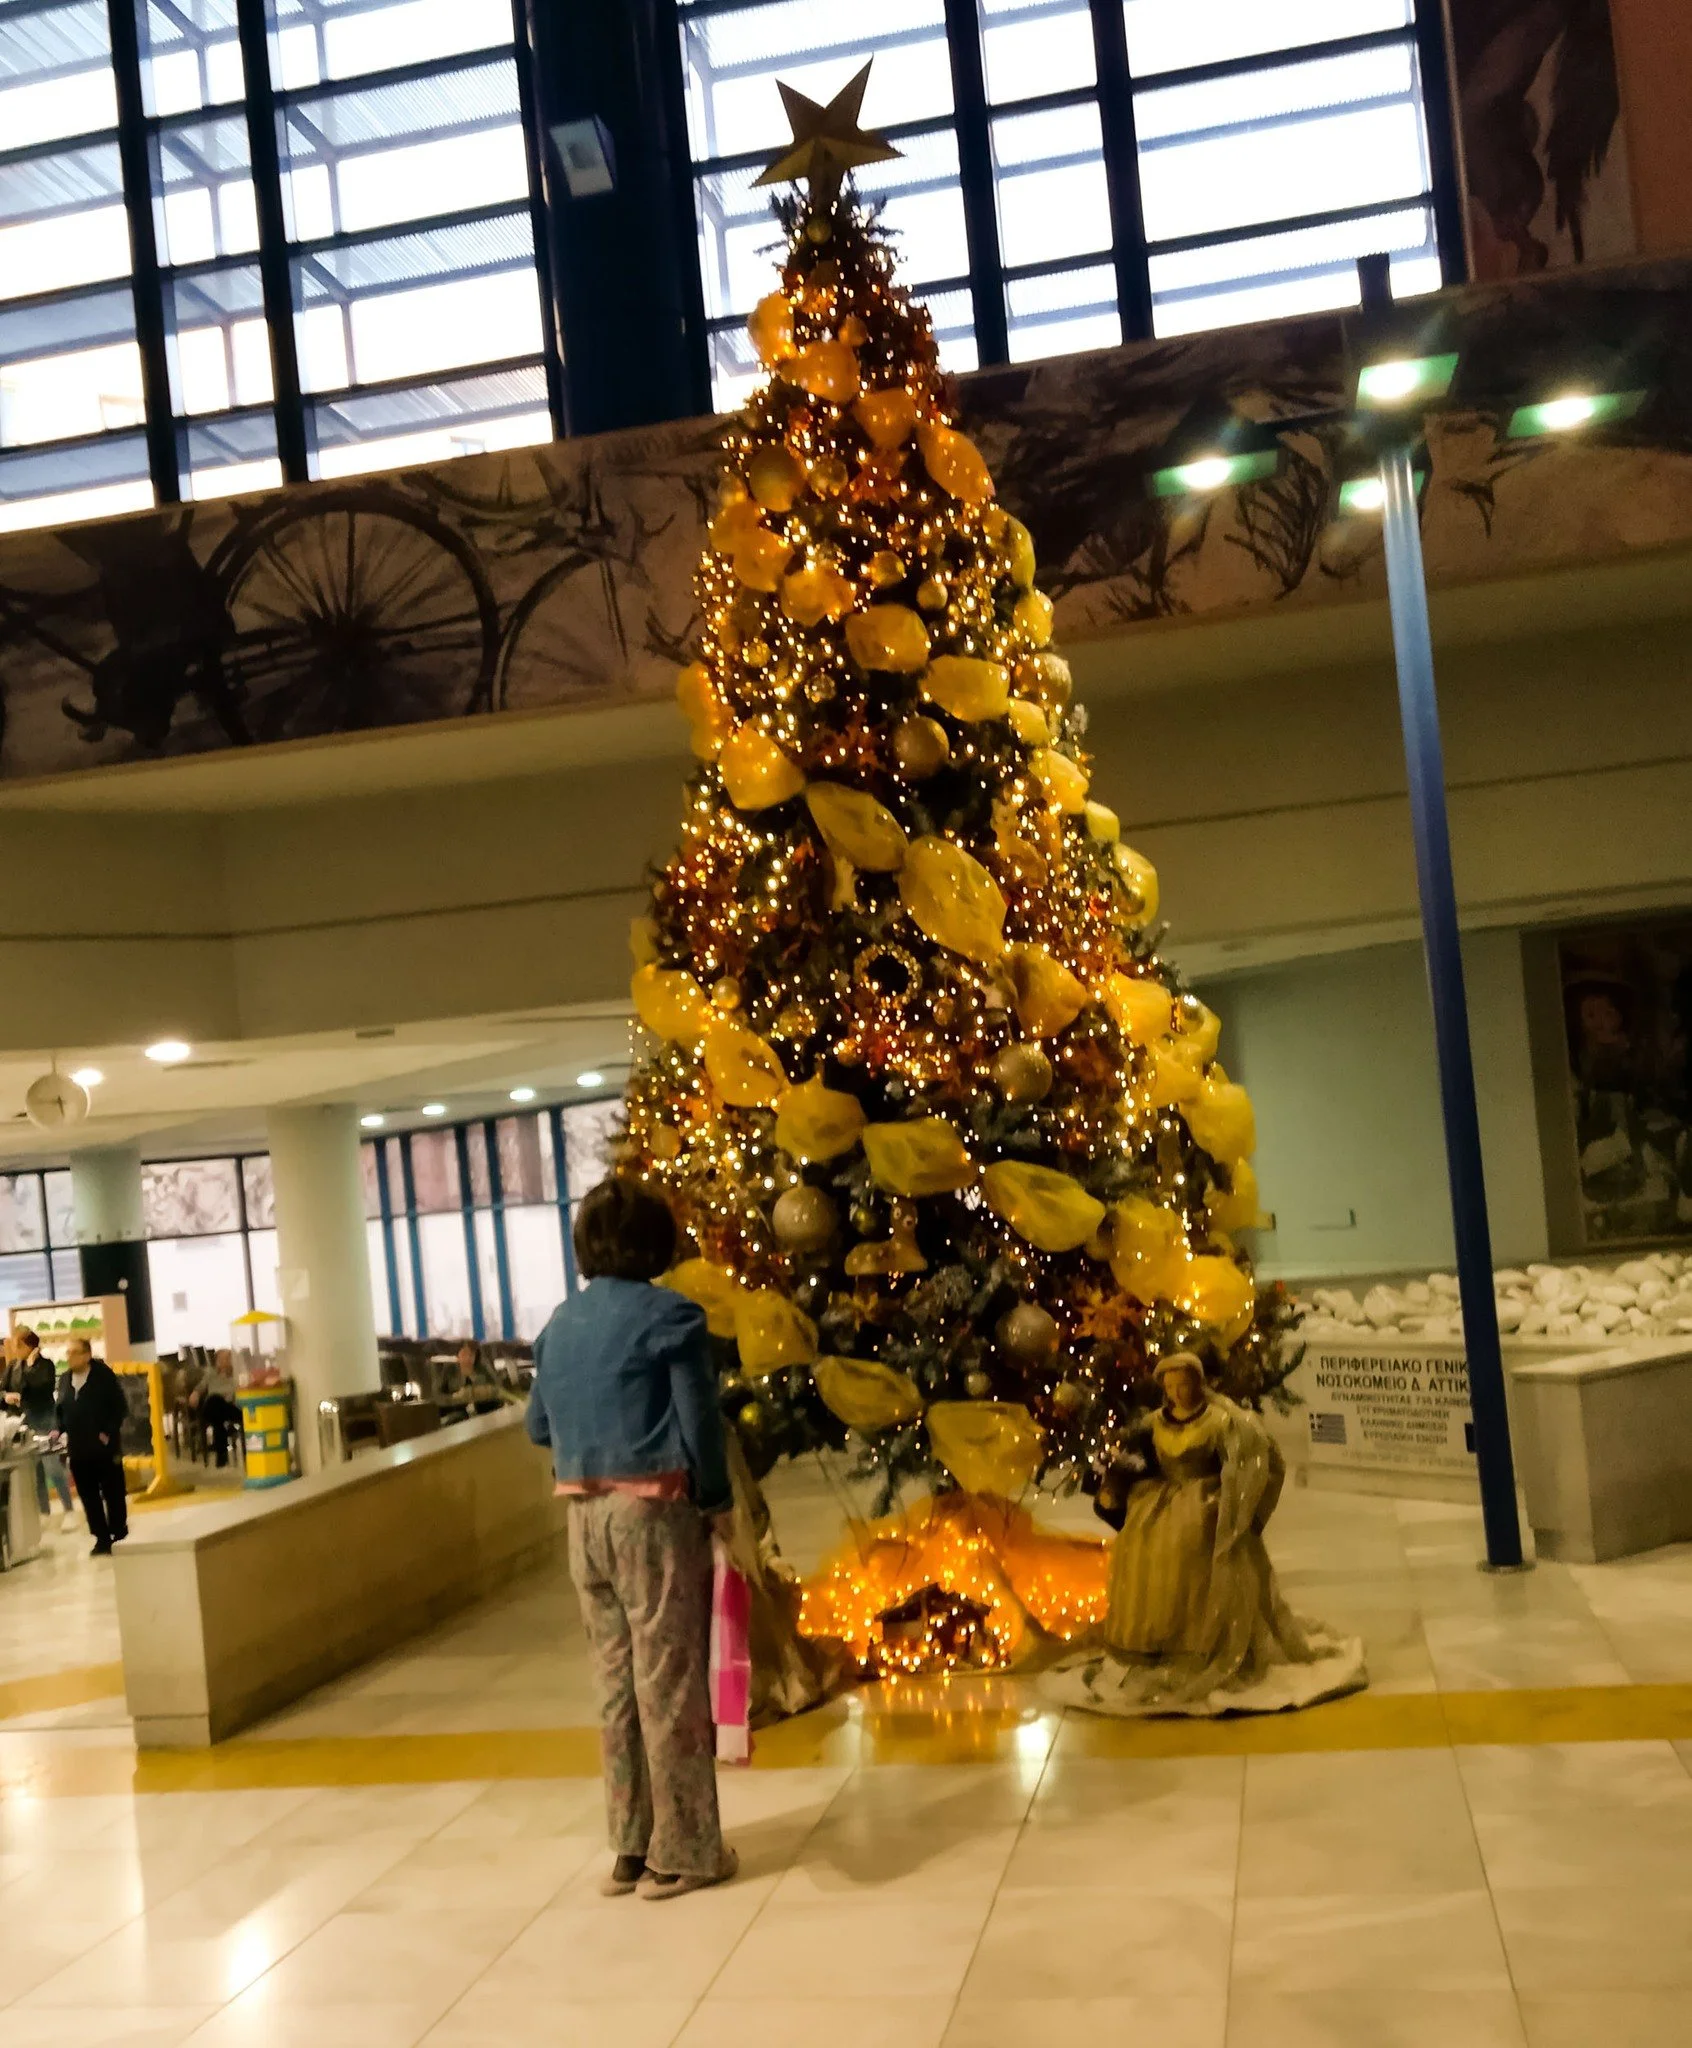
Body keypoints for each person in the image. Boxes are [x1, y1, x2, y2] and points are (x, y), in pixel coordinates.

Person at [526, 1178, 737, 1902]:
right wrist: (716, 1497)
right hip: (652, 1516)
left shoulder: (559, 1325)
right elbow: (699, 1422)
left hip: (582, 1520)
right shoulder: (672, 1316)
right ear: (657, 1243)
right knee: (669, 1682)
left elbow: (537, 1428)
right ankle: (684, 1852)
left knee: (615, 1684)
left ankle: (628, 1846)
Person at [1044, 1351, 1366, 1718]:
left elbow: (1253, 1460)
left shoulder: (1219, 1421)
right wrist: (1114, 1487)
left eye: (1184, 1385)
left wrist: (1234, 1503)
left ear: (1197, 1384)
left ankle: (1204, 1641)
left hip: (1206, 1501)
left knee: (1194, 1547)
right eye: (1171, 1387)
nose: (1178, 1393)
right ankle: (1154, 1642)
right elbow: (1129, 1458)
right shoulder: (1153, 1424)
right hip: (1160, 1502)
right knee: (1143, 1555)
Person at [56, 1338, 130, 1557]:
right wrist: (58, 1430)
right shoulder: (65, 1379)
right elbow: (61, 1408)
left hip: (104, 1447)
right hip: (78, 1448)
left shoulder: (103, 1376)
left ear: (87, 1355)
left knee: (112, 1490)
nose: (69, 1357)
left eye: (74, 1352)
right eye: (67, 1353)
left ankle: (119, 1532)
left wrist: (107, 1432)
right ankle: (101, 1537)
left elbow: (119, 1407)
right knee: (88, 1495)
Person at [4, 1329, 74, 1520]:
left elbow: (42, 1388)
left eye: (18, 1345)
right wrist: (6, 1396)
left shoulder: (46, 1366)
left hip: (45, 1419)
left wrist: (30, 1367)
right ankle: (45, 1512)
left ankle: (68, 1509)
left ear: (28, 1346)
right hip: (24, 1422)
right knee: (36, 1471)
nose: (15, 1350)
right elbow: (3, 1389)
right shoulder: (13, 1366)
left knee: (52, 1467)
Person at [187, 1348, 242, 1467]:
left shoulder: (236, 1375)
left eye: (227, 1359)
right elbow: (200, 1387)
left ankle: (221, 1458)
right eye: (221, 1359)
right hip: (212, 1407)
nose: (224, 1362)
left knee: (217, 1417)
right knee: (214, 1402)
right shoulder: (211, 1374)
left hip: (229, 1407)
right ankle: (222, 1454)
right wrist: (195, 1393)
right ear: (216, 1361)